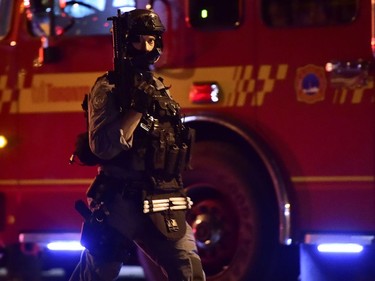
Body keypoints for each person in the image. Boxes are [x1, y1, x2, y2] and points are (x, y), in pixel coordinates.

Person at [69, 8, 205, 281]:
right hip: (121, 199)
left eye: (151, 40)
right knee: (97, 274)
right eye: (138, 40)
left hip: (164, 196)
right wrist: (135, 112)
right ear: (126, 42)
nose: (145, 47)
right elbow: (102, 147)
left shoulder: (159, 87)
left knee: (189, 271)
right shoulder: (108, 88)